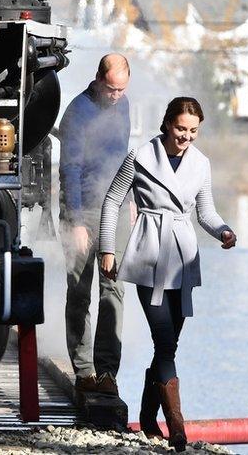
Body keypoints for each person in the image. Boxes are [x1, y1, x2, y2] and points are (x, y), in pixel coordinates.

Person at [98, 97, 237, 452]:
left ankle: (146, 418)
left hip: (183, 256)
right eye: (181, 129)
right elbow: (112, 200)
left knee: (169, 343)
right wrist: (107, 249)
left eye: (193, 131)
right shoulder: (140, 156)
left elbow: (205, 211)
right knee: (164, 340)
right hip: (148, 253)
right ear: (167, 124)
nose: (186, 137)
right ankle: (176, 425)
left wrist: (223, 231)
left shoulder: (201, 164)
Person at [58, 54, 133, 396]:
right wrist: (75, 222)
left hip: (114, 209)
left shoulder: (124, 105)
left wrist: (130, 199)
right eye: (111, 88)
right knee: (79, 292)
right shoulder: (78, 112)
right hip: (83, 209)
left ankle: (107, 372)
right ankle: (84, 370)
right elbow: (69, 170)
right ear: (99, 79)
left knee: (113, 290)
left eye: (122, 89)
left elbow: (123, 158)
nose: (116, 95)